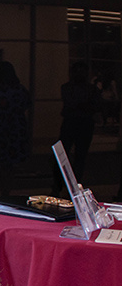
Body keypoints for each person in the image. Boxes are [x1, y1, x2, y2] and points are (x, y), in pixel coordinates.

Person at [0, 61, 31, 196]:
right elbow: (27, 104)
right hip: (15, 131)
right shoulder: (19, 90)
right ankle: (6, 191)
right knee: (9, 165)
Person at [52, 62, 99, 197]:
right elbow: (72, 104)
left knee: (80, 156)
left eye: (82, 72)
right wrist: (83, 106)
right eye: (76, 71)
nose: (79, 74)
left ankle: (75, 188)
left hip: (84, 123)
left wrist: (83, 107)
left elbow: (94, 106)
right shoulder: (67, 88)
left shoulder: (92, 89)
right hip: (71, 122)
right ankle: (57, 186)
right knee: (61, 156)